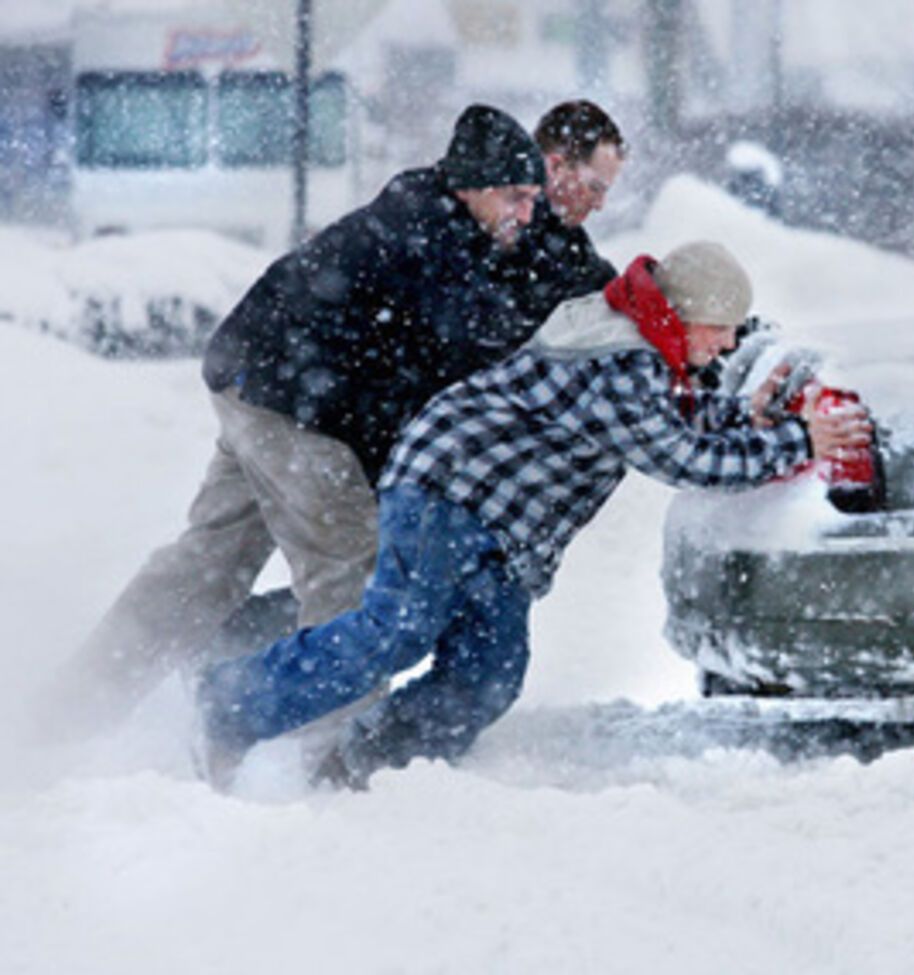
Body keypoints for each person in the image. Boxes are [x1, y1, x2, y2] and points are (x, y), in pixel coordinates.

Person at [195, 241, 874, 790]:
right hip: (445, 488)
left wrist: (752, 420)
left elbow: (676, 415)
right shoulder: (622, 358)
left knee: (487, 670)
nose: (726, 345)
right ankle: (228, 704)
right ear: (690, 314)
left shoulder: (646, 344)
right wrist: (800, 441)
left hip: (501, 526)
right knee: (395, 630)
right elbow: (681, 455)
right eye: (722, 328)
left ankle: (373, 765)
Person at [48, 102, 625, 735]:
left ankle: (75, 711)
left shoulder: (473, 218)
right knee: (355, 577)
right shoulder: (433, 235)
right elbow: (475, 343)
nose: (533, 209)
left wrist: (649, 316)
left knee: (209, 564)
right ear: (495, 181)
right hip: (296, 408)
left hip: (258, 381)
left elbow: (567, 287)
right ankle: (317, 753)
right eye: (590, 186)